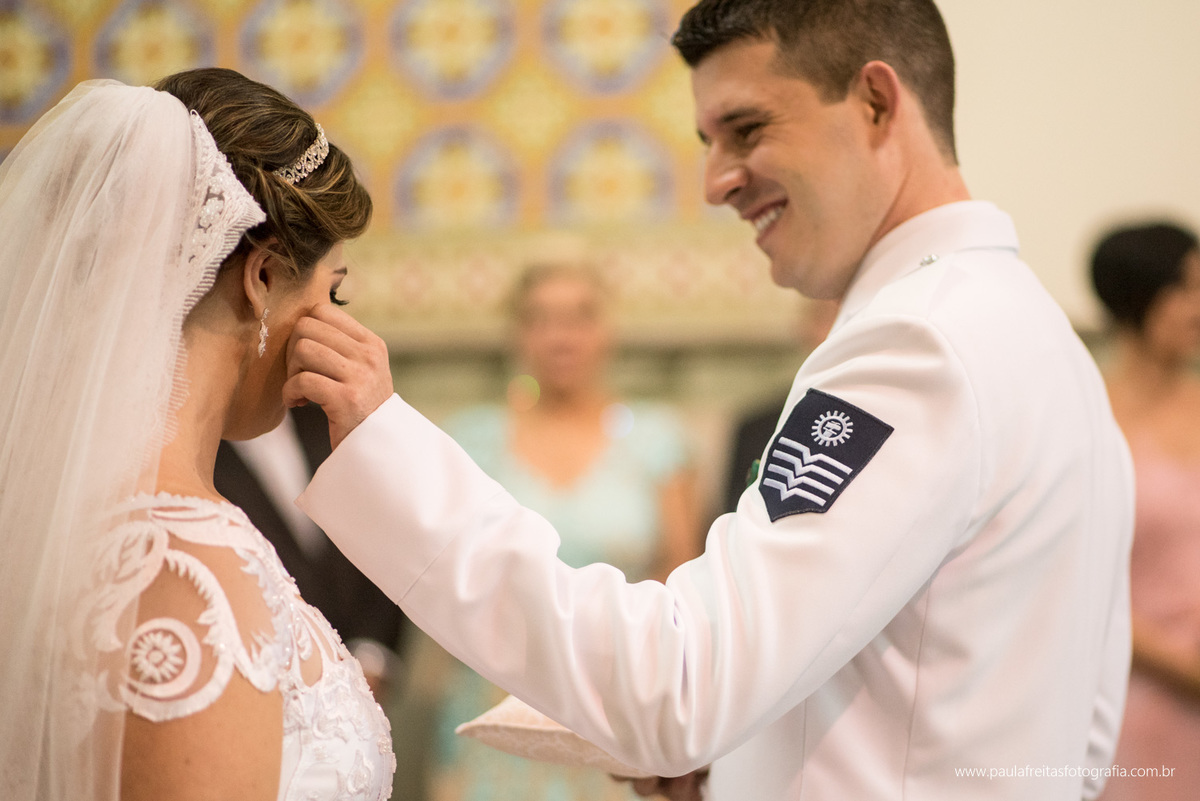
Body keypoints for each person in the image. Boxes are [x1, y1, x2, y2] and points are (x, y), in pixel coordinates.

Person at [285, 1, 1134, 799]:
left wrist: (384, 452)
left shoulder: (911, 348)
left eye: (748, 129)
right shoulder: (1042, 336)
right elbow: (1079, 730)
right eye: (706, 140)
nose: (716, 182)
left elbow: (679, 688)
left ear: (876, 102)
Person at [0, 69, 393, 801]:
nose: (343, 323)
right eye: (332, 289)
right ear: (264, 275)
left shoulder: (84, 520)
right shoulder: (186, 569)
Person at [422, 263, 699, 801]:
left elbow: (682, 572)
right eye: (540, 319)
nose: (560, 336)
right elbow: (445, 572)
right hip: (495, 697)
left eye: (579, 317)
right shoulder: (472, 440)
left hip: (617, 699)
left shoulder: (657, 439)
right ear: (517, 334)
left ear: (607, 330)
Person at [1090, 223, 1200, 801]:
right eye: (1187, 289)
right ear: (1141, 296)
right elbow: (1078, 574)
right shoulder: (1092, 418)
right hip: (1136, 687)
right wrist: (1178, 661)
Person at [214, 402, 409, 701]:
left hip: (361, 698)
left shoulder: (331, 420)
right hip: (263, 694)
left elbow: (383, 530)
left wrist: (371, 656)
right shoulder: (197, 457)